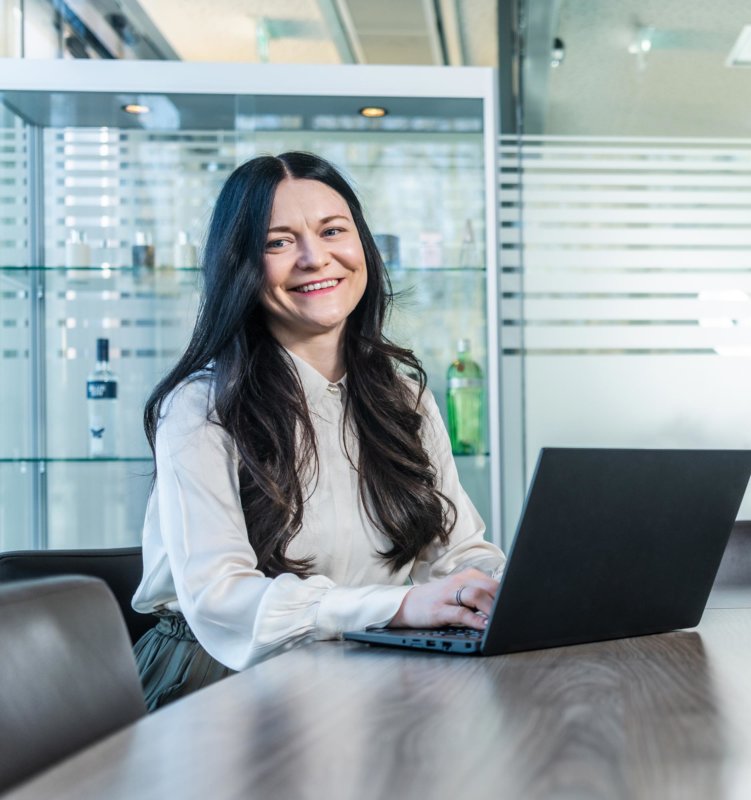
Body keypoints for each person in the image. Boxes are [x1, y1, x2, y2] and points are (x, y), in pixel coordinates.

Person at [131, 152, 505, 710]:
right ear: (241, 265)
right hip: (215, 679)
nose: (314, 257)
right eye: (278, 242)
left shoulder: (405, 398)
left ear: (364, 250)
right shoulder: (200, 409)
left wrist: (514, 592)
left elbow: (458, 553)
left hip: (361, 664)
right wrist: (398, 607)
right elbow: (221, 599)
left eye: (334, 231)